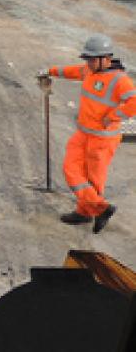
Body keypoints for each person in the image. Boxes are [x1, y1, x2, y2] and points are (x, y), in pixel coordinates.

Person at [38, 34, 136, 234]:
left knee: (94, 179)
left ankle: (85, 211)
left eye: (92, 59)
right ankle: (99, 208)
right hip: (83, 133)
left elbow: (134, 102)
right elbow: (72, 71)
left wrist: (115, 115)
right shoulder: (89, 70)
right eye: (88, 59)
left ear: (106, 58)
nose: (88, 63)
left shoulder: (120, 80)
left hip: (103, 139)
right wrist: (50, 71)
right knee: (70, 168)